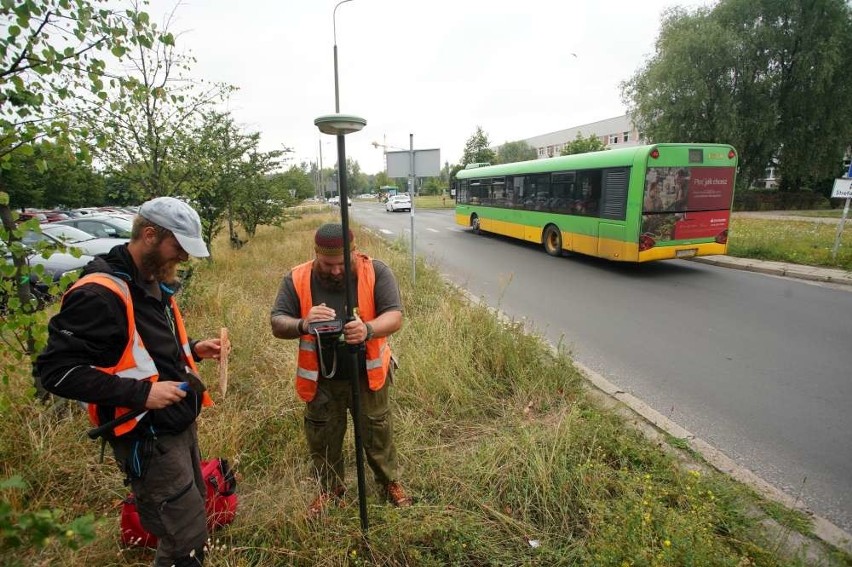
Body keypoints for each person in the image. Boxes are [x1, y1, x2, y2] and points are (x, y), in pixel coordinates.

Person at [35, 197, 221, 567]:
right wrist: (142, 393)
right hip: (146, 434)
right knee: (183, 536)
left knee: (190, 516)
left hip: (176, 422)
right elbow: (55, 371)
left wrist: (195, 349)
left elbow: (143, 348)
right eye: (178, 248)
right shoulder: (99, 294)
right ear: (149, 235)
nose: (183, 258)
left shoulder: (150, 281)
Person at [270, 222, 410, 517]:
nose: (335, 271)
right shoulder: (296, 278)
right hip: (322, 379)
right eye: (327, 264)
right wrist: (303, 324)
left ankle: (388, 482)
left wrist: (368, 329)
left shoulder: (377, 271)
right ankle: (330, 489)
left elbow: (395, 316)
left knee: (377, 432)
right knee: (323, 438)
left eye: (341, 264)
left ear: (354, 253)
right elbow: (277, 322)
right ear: (316, 254)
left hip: (367, 375)